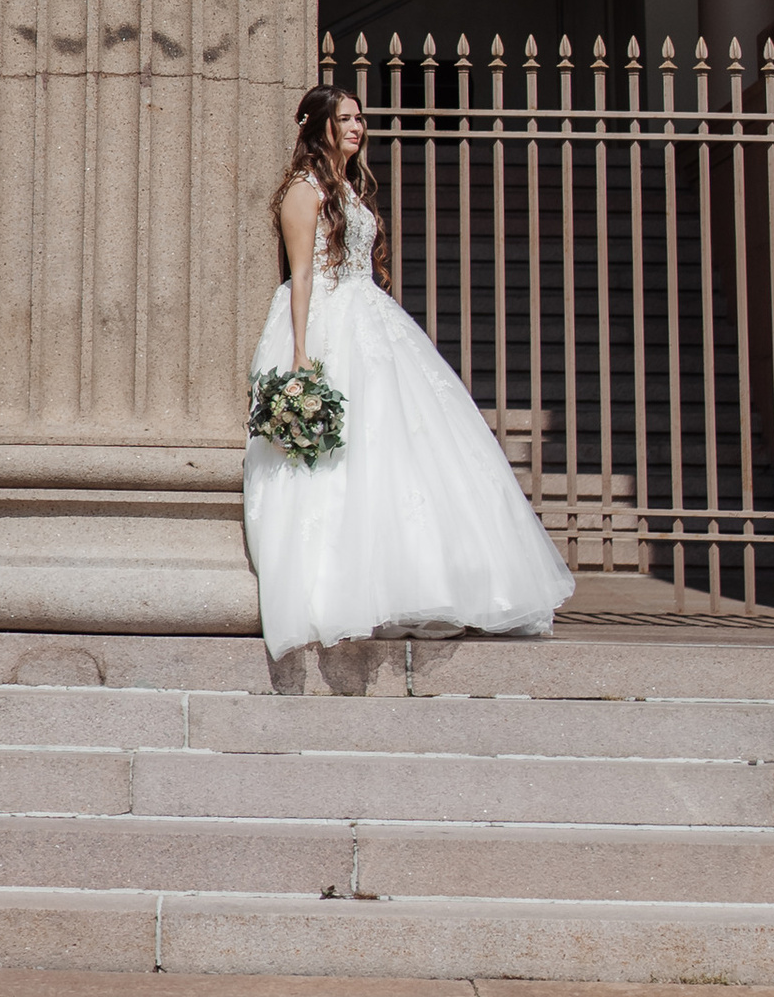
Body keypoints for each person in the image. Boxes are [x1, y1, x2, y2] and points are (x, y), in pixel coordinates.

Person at [244, 81, 574, 655]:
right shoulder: (305, 190)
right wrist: (300, 353)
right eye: (345, 118)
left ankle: (434, 582)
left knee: (408, 442)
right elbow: (301, 274)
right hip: (328, 320)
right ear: (318, 125)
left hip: (372, 318)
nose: (357, 126)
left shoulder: (347, 187)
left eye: (359, 118)